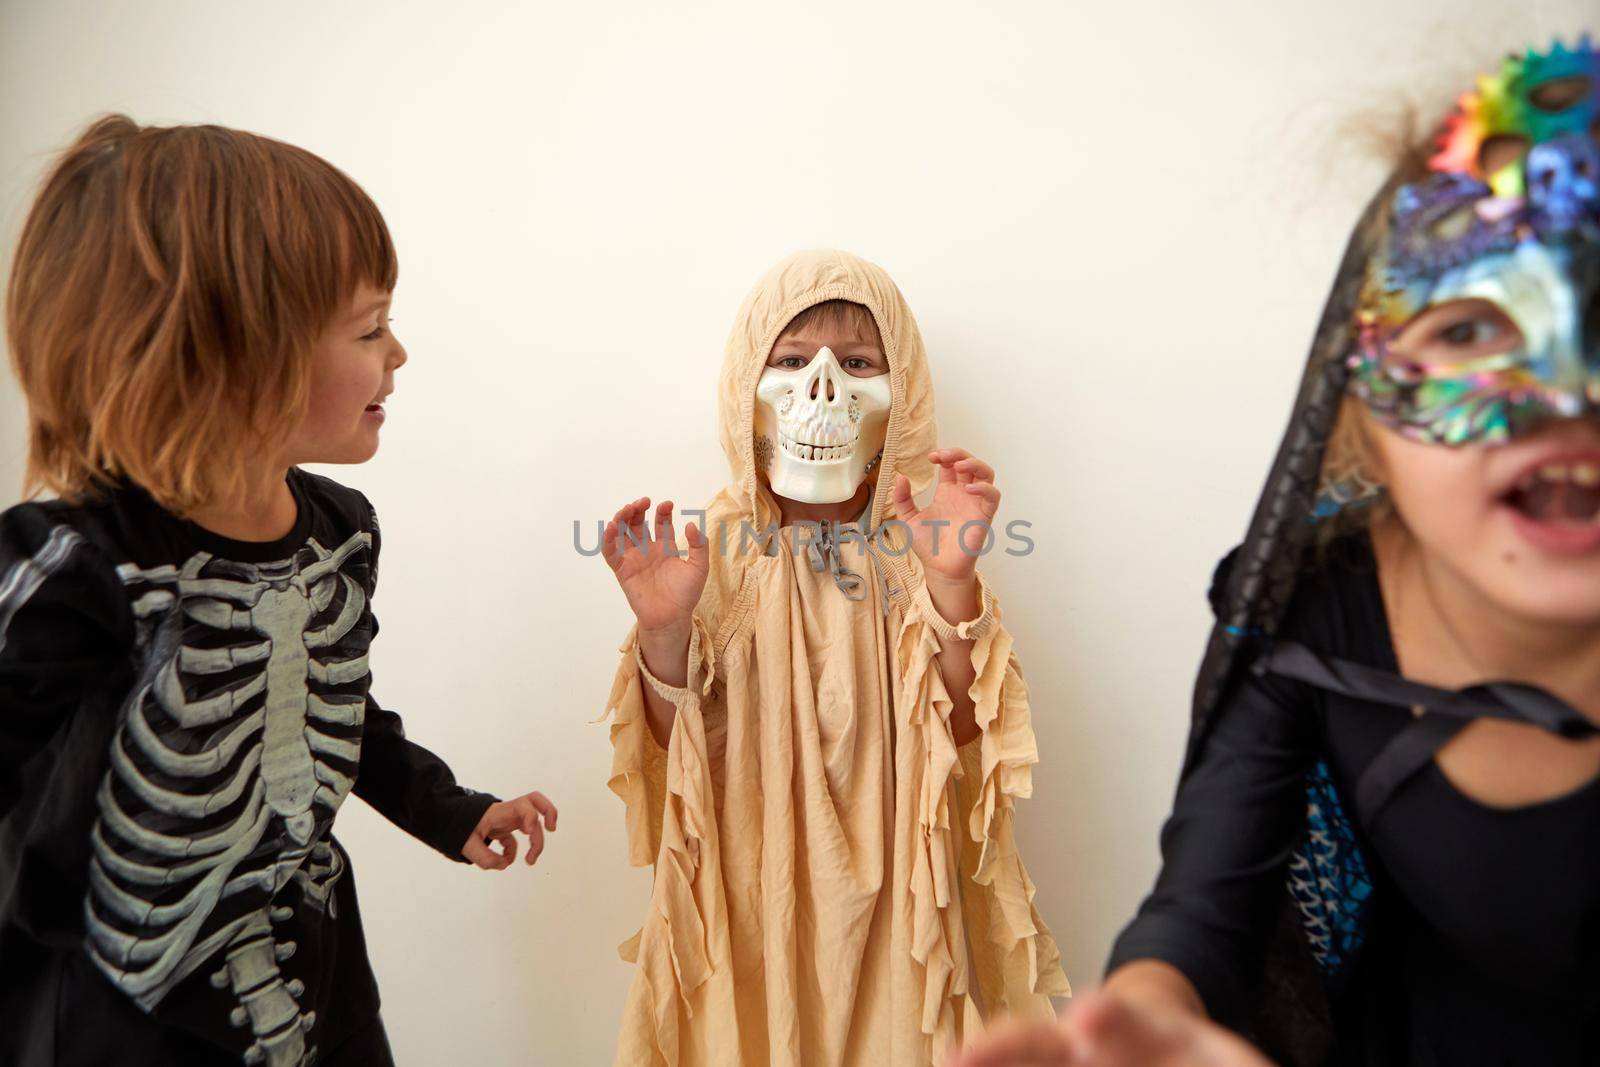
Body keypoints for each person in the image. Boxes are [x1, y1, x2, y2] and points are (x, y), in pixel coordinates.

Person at [951, 36, 1600, 1067]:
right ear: (1360, 412)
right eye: (1472, 326)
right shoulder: (1309, 608)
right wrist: (1148, 1016)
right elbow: (1208, 905)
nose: (1564, 395)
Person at [0, 116, 557, 1066]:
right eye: (372, 326)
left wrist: (449, 809)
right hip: (126, 1022)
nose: (402, 353)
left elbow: (330, 712)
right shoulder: (74, 564)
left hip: (324, 981)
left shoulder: (340, 528)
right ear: (234, 353)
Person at [598, 249, 1070, 1065]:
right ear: (748, 384)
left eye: (857, 363)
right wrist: (665, 633)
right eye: (790, 362)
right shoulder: (713, 551)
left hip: (900, 918)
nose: (825, 387)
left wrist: (951, 580)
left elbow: (964, 737)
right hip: (756, 902)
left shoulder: (914, 547)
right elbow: (677, 762)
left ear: (904, 395)